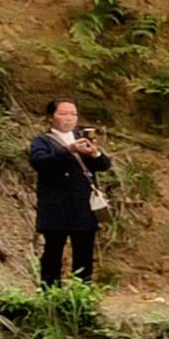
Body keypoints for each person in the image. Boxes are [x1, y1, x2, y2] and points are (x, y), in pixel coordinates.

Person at [29, 99, 111, 287]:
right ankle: (50, 294)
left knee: (84, 254)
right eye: (63, 114)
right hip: (55, 207)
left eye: (73, 114)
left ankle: (82, 294)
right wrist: (68, 150)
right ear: (51, 118)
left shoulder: (82, 138)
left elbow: (104, 166)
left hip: (83, 207)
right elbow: (39, 162)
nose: (69, 118)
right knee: (52, 252)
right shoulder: (42, 141)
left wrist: (95, 153)